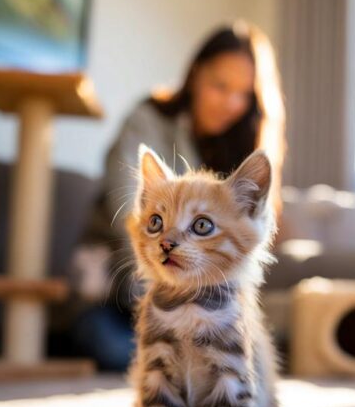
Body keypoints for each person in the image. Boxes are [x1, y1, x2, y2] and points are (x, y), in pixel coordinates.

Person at [71, 21, 286, 371]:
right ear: (196, 74)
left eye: (244, 94)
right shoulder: (150, 118)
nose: (232, 103)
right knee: (126, 353)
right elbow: (129, 212)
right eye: (220, 86)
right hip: (119, 292)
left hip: (205, 303)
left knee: (234, 362)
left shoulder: (241, 148)